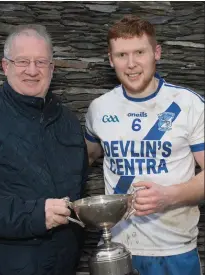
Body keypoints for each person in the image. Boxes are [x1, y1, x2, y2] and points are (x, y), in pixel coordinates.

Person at [85, 15, 204, 275]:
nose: (131, 64)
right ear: (110, 59)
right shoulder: (98, 108)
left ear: (156, 53)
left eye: (139, 52)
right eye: (121, 55)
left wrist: (168, 197)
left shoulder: (187, 104)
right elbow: (83, 159)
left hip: (174, 250)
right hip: (117, 248)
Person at [0, 24, 88, 275]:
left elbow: (79, 187)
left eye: (41, 62)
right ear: (5, 66)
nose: (32, 70)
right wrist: (35, 214)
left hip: (64, 265)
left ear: (51, 69)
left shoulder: (69, 122)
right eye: (22, 61)